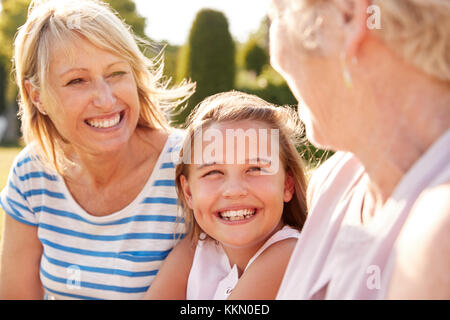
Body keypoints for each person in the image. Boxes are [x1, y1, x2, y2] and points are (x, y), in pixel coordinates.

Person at [0, 0, 194, 300]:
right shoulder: (32, 173)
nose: (105, 99)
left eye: (117, 73)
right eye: (77, 80)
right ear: (35, 96)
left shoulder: (192, 165)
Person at [269, 0, 450, 299]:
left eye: (276, 13)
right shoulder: (333, 182)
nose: (274, 58)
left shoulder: (441, 235)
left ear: (347, 14)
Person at [144, 91, 308, 299]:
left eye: (255, 169)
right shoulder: (194, 251)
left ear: (287, 185)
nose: (234, 190)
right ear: (189, 192)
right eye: (213, 172)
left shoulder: (289, 254)